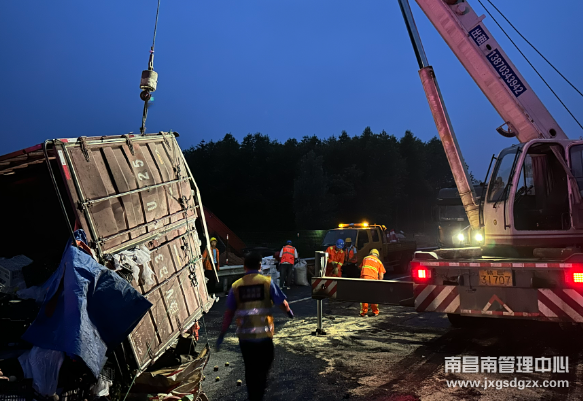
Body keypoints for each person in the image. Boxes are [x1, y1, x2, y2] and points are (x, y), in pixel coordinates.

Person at [216, 252, 294, 401]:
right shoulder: (267, 282)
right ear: (260, 266)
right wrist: (289, 313)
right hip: (264, 336)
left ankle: (253, 396)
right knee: (263, 368)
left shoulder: (236, 286)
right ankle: (259, 393)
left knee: (250, 368)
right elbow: (282, 303)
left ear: (244, 267)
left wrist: (222, 334)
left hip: (245, 338)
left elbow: (229, 313)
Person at [359, 249, 386, 317]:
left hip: (364, 278)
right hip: (373, 279)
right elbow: (381, 275)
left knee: (364, 295)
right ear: (377, 255)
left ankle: (363, 312)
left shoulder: (365, 258)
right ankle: (375, 311)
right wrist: (379, 283)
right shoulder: (379, 262)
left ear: (370, 253)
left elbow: (361, 268)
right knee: (373, 295)